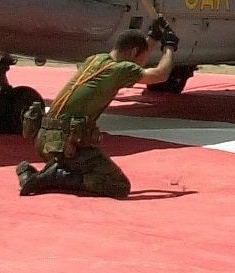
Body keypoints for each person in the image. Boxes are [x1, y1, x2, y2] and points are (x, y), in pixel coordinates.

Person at [16, 27, 177, 197]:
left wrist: (153, 38)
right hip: (65, 145)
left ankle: (41, 174)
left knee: (87, 168)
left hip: (45, 140)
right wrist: (169, 47)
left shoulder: (96, 59)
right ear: (134, 52)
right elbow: (160, 75)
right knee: (118, 185)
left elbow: (137, 57)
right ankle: (54, 176)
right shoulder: (120, 70)